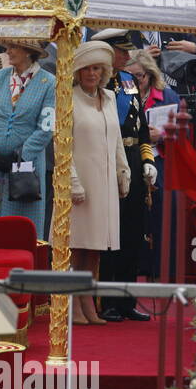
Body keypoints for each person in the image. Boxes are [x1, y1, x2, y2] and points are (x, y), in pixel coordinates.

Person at [89, 30, 157, 321]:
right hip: (107, 160)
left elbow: (141, 128)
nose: (128, 57)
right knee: (111, 234)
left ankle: (127, 300)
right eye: (122, 51)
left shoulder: (129, 81)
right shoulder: (95, 83)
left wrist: (147, 160)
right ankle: (108, 301)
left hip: (132, 159)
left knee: (133, 232)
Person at [68, 42, 130, 325]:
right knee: (77, 247)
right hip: (81, 184)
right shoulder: (68, 98)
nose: (91, 74)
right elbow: (62, 146)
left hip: (104, 184)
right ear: (78, 72)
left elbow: (116, 141)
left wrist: (123, 171)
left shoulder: (108, 97)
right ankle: (73, 304)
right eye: (86, 69)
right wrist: (72, 182)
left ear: (104, 71)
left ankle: (88, 301)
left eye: (96, 69)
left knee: (95, 249)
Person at [0, 40, 56, 235]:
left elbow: (45, 128)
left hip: (26, 169)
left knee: (20, 230)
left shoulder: (48, 82)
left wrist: (19, 157)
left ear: (29, 52)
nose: (8, 51)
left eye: (13, 47)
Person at [127, 50, 180, 280]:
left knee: (162, 213)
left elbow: (182, 133)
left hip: (160, 159)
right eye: (131, 77)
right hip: (132, 159)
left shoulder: (167, 96)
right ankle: (136, 267)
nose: (136, 82)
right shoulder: (124, 92)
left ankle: (161, 272)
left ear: (149, 75)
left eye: (139, 76)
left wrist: (163, 135)